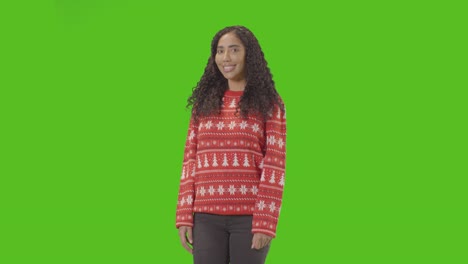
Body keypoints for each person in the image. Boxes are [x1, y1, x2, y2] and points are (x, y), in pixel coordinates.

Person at [175, 25, 287, 264]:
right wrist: (184, 215)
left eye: (234, 50)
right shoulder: (203, 105)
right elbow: (189, 160)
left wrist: (266, 221)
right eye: (220, 51)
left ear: (249, 55)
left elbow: (275, 165)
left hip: (249, 219)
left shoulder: (269, 103)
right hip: (205, 218)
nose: (226, 58)